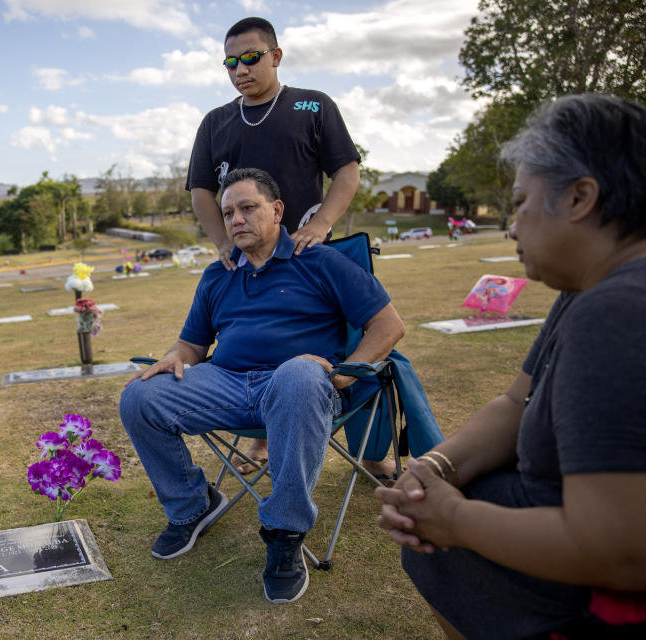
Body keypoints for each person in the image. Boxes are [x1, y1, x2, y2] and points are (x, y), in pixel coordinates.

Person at [375, 94, 646, 639]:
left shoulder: (617, 312)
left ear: (580, 197)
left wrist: (455, 521)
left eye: (521, 201)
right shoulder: (587, 290)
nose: (512, 224)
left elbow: (621, 553)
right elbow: (516, 401)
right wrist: (436, 467)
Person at [121, 168, 405, 603]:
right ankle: (192, 505)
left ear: (276, 210)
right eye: (228, 211)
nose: (236, 219)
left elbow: (387, 326)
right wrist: (176, 357)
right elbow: (191, 345)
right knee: (140, 395)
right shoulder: (219, 274)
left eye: (248, 208)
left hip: (301, 390)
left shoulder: (321, 261)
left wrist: (343, 373)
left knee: (297, 373)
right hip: (227, 383)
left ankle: (285, 533)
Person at [186, 17, 387, 477]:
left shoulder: (313, 106)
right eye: (230, 62)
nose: (240, 69)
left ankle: (373, 453)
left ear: (275, 56)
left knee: (361, 346)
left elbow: (347, 171)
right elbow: (200, 189)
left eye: (251, 57)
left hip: (307, 255)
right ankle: (260, 444)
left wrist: (322, 222)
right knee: (255, 343)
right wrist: (222, 241)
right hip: (248, 261)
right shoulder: (215, 122)